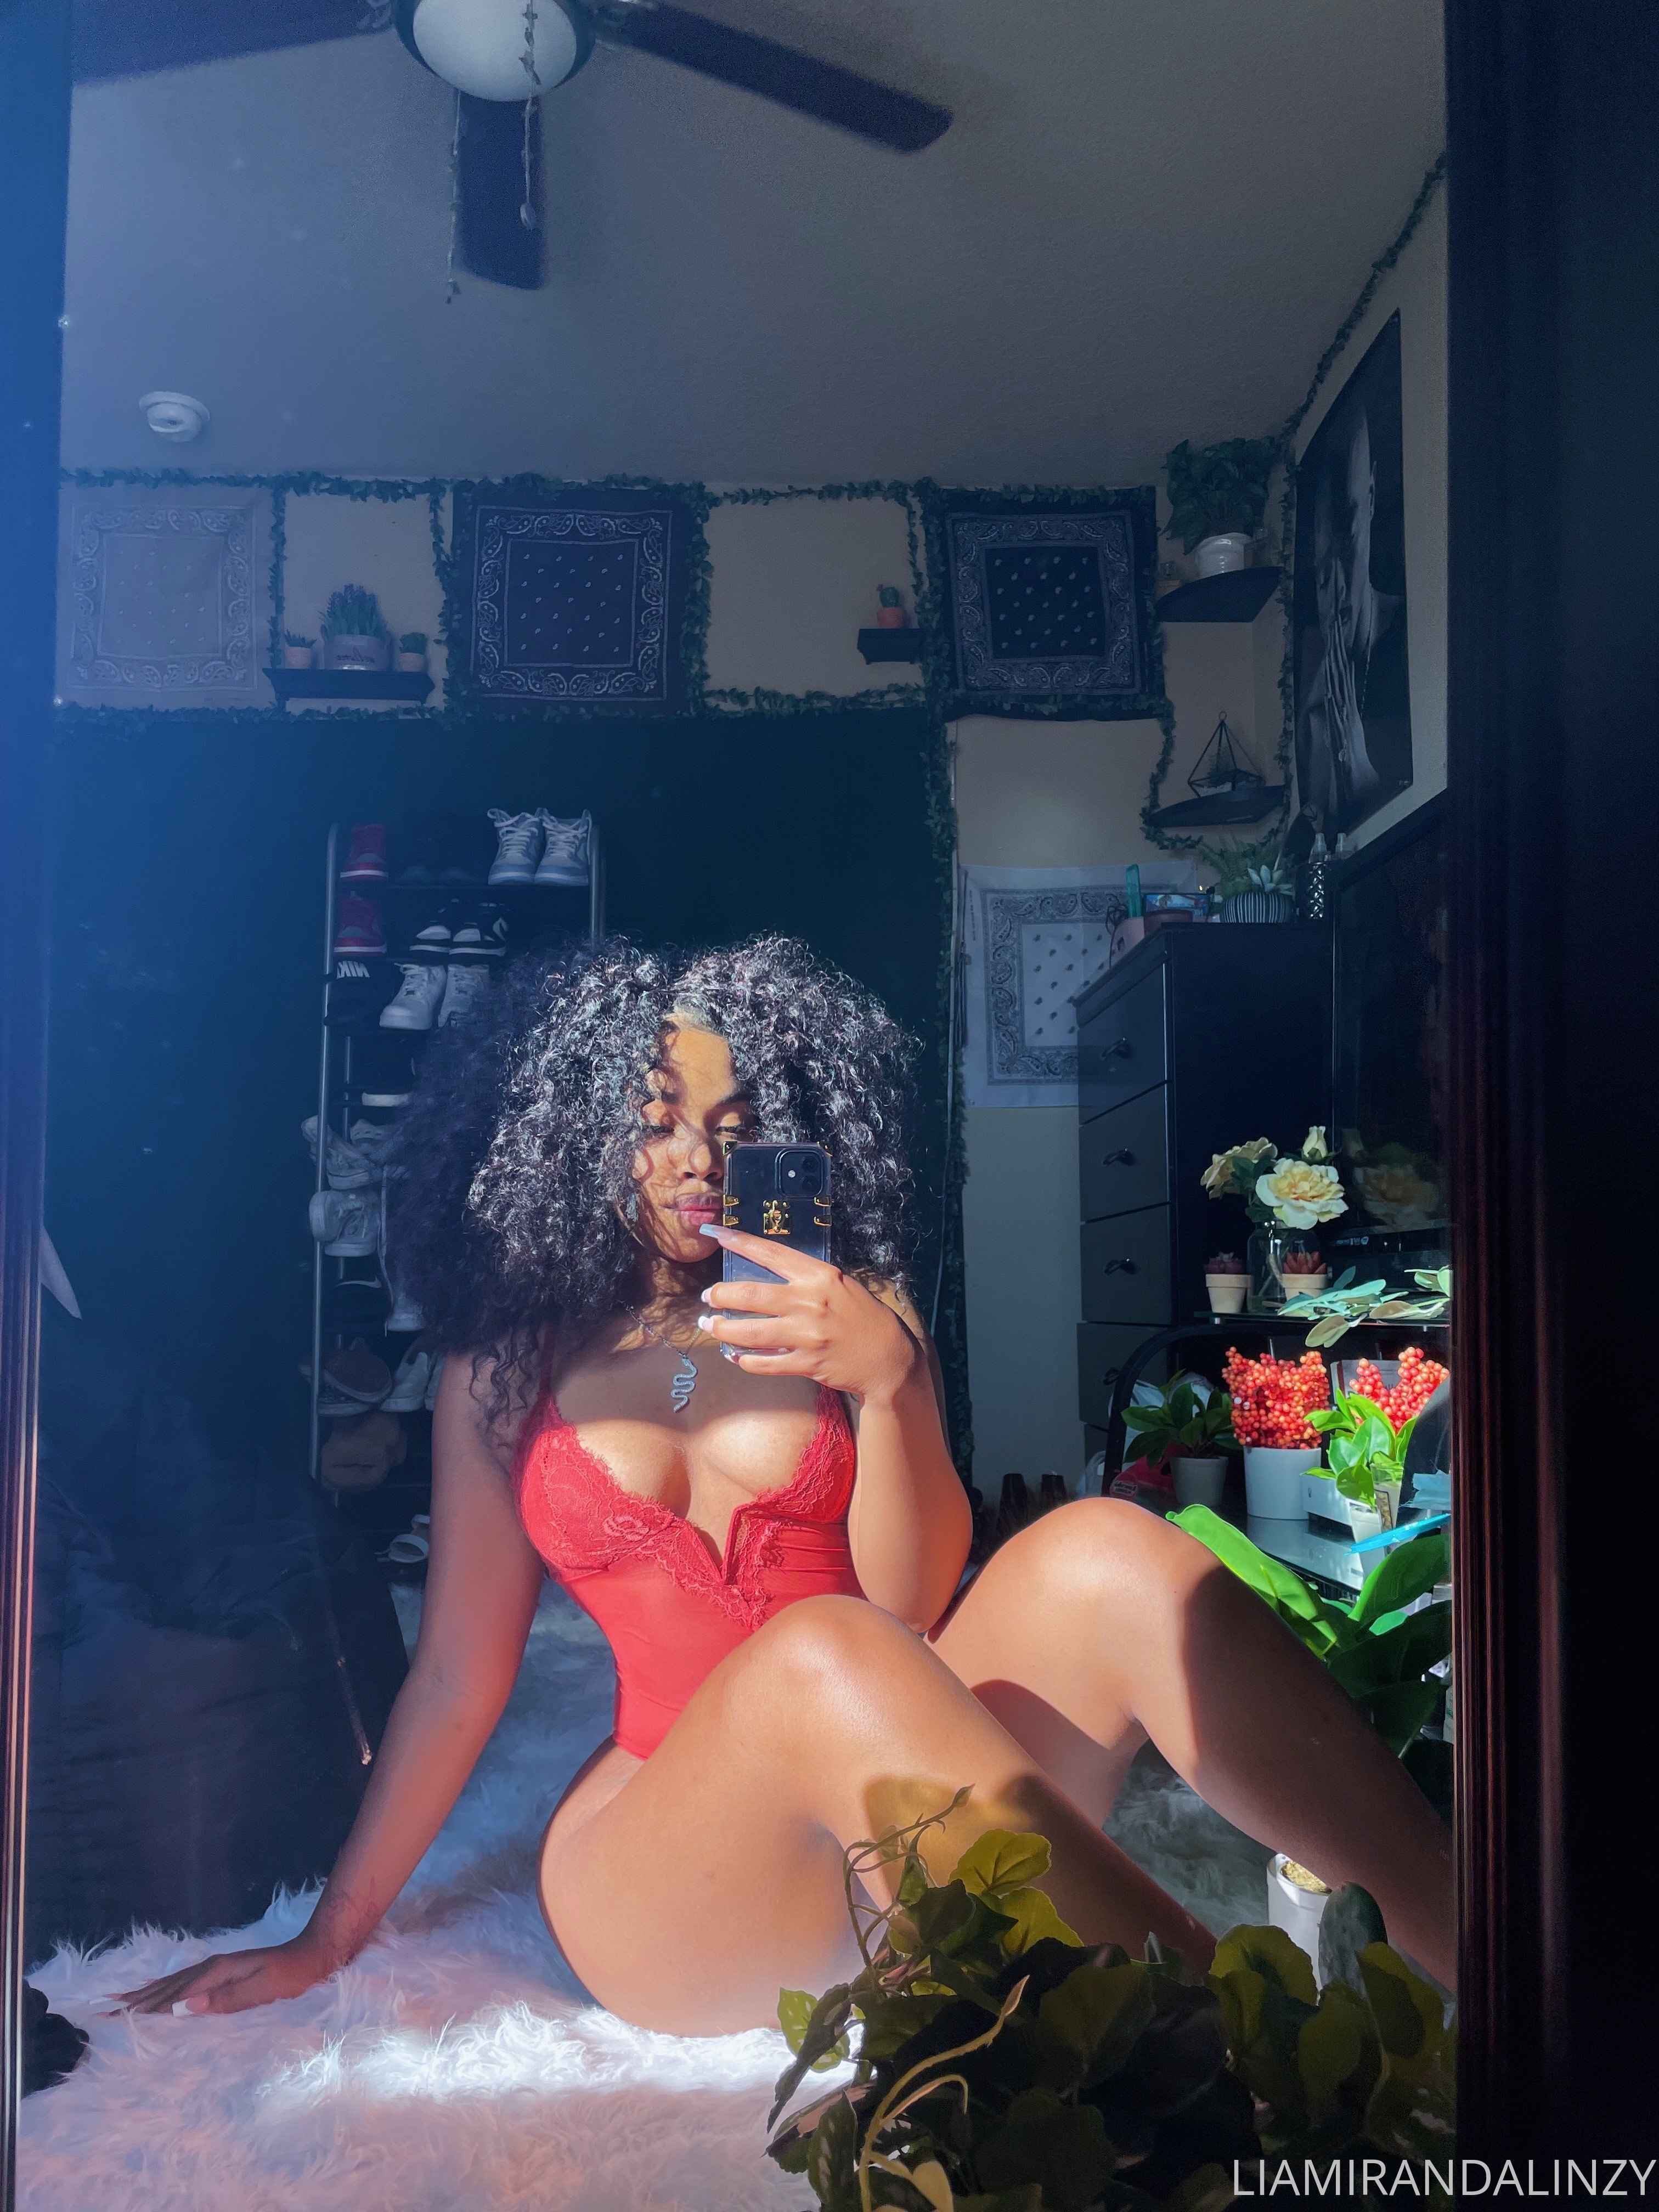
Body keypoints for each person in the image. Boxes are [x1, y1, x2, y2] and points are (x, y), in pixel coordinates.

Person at [121, 936, 1454, 2034]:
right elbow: (459, 1677)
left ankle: (1491, 1963)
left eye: (732, 1129)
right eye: (654, 1126)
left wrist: (890, 1383)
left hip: (907, 1802)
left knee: (1105, 1544)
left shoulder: (845, 1311)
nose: (696, 1161)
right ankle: (1258, 2078)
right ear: (570, 1138)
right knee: (824, 1651)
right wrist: (328, 1937)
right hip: (678, 1872)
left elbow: (912, 1603)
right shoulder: (505, 1365)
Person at [1296, 394, 1411, 832]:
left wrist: (1359, 763)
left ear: (1373, 496)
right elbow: (1318, 822)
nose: (1338, 582)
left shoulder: (1407, 642)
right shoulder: (1318, 685)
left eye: (1347, 534)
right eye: (1322, 566)